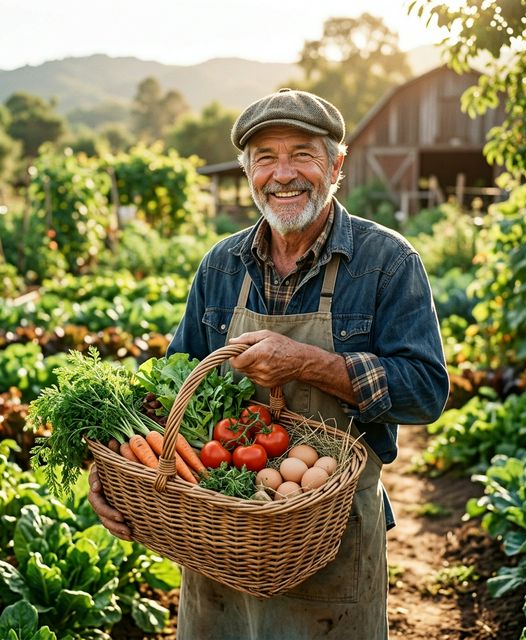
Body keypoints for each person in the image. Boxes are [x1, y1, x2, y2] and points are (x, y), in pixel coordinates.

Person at [88, 88, 449, 639]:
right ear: (247, 171)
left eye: (302, 153)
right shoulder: (220, 265)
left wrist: (309, 362)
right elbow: (169, 390)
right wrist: (115, 471)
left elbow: (425, 392)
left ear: (336, 165)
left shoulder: (387, 263)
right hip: (218, 525)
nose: (283, 174)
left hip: (328, 534)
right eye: (265, 158)